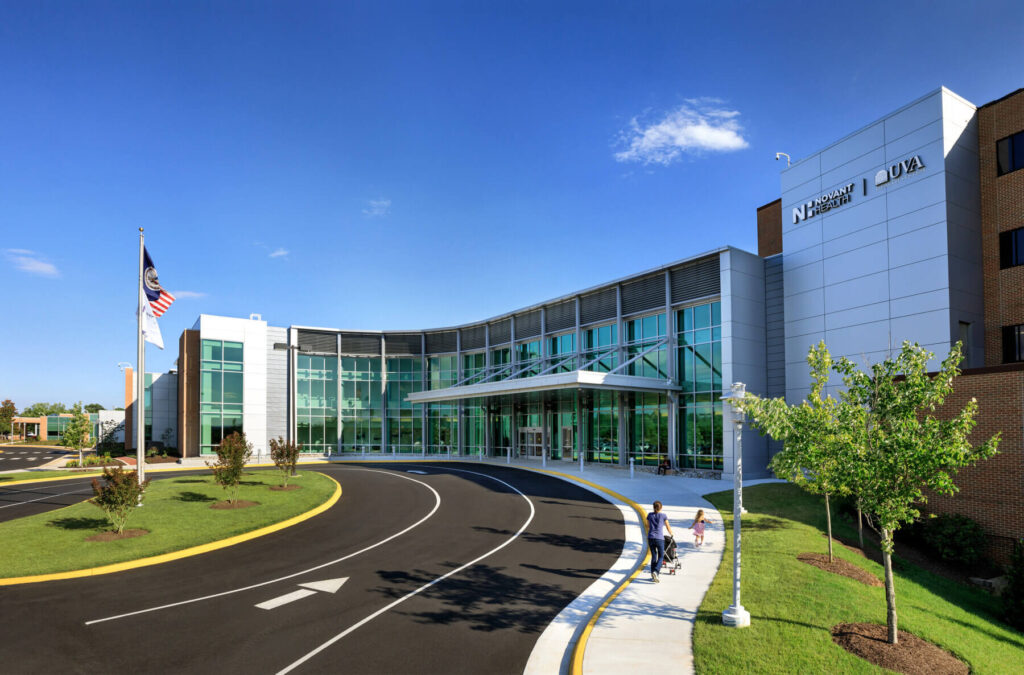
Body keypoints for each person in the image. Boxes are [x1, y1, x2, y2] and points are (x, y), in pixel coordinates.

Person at [647, 500, 673, 582]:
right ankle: (656, 571)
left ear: (653, 507)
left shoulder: (649, 515)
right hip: (659, 538)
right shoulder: (663, 516)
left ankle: (653, 575)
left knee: (654, 556)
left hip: (650, 538)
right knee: (661, 556)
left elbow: (647, 526)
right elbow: (667, 526)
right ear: (661, 507)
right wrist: (671, 534)